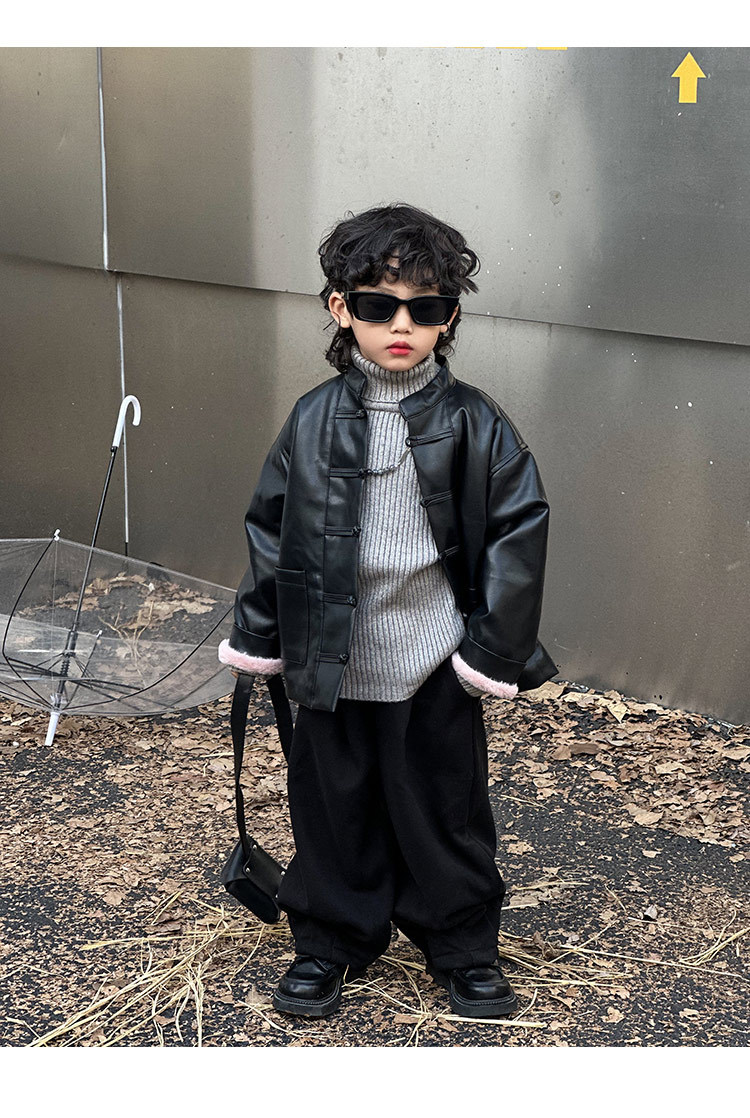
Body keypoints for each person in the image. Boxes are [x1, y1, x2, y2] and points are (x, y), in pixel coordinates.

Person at [218, 202, 557, 1019]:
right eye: (379, 304)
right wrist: (261, 635)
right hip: (331, 661)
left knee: (445, 810)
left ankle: (463, 946)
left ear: (449, 318)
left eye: (425, 307)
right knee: (333, 808)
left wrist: (488, 652)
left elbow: (520, 533)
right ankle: (329, 942)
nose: (401, 325)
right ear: (342, 309)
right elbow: (271, 531)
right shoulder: (312, 419)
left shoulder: (475, 421)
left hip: (434, 661)